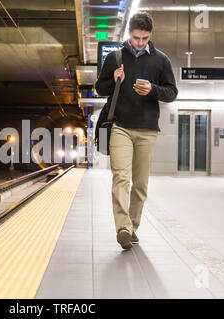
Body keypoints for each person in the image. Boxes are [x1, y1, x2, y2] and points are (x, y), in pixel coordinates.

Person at [95, 11, 178, 250]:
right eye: (135, 37)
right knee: (121, 177)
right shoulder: (115, 57)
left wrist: (152, 89)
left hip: (147, 129)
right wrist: (113, 79)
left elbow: (172, 93)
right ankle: (122, 227)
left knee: (140, 184)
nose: (139, 43)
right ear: (129, 33)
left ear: (150, 36)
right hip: (120, 126)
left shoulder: (161, 60)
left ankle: (132, 227)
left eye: (144, 38)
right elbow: (100, 89)